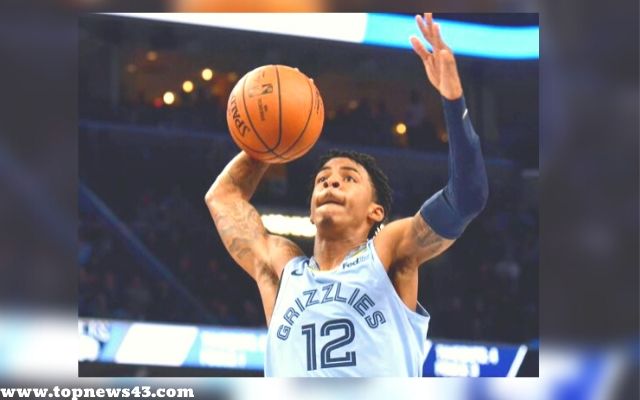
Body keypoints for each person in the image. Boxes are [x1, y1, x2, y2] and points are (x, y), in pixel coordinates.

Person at [204, 13, 488, 377]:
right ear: (311, 211)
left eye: (348, 178)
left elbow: (467, 197)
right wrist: (270, 141)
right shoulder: (281, 268)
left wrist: (453, 99)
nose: (330, 183)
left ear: (375, 212)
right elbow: (223, 197)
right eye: (322, 179)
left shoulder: (388, 254)